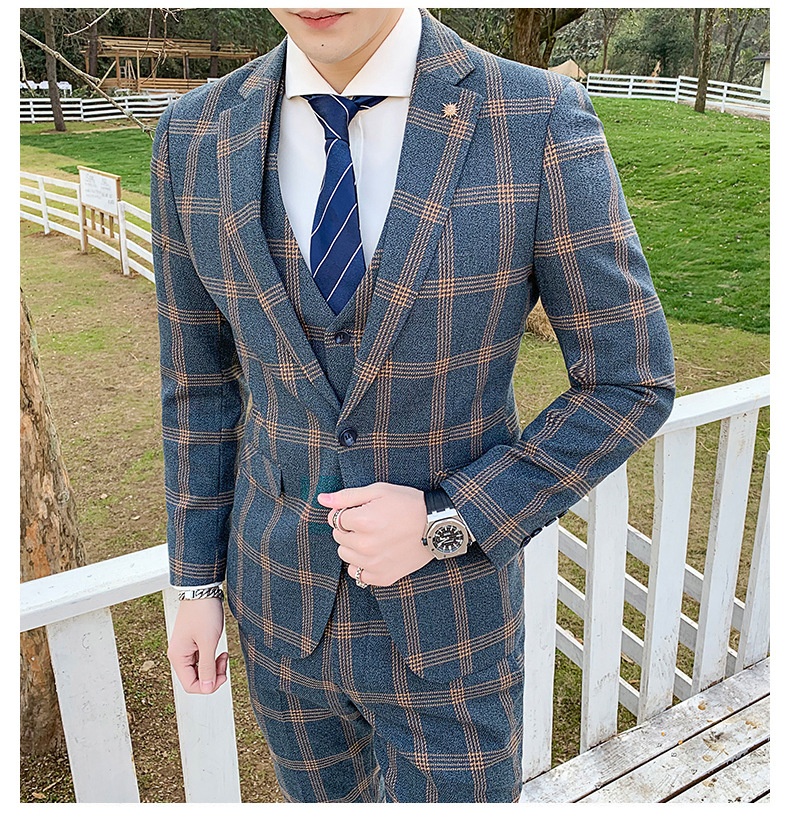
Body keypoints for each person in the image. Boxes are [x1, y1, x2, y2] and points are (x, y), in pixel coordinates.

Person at [152, 7, 675, 804]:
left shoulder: (533, 117)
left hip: (452, 626)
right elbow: (197, 387)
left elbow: (630, 380)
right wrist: (196, 585)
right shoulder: (193, 134)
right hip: (278, 611)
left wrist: (446, 518)